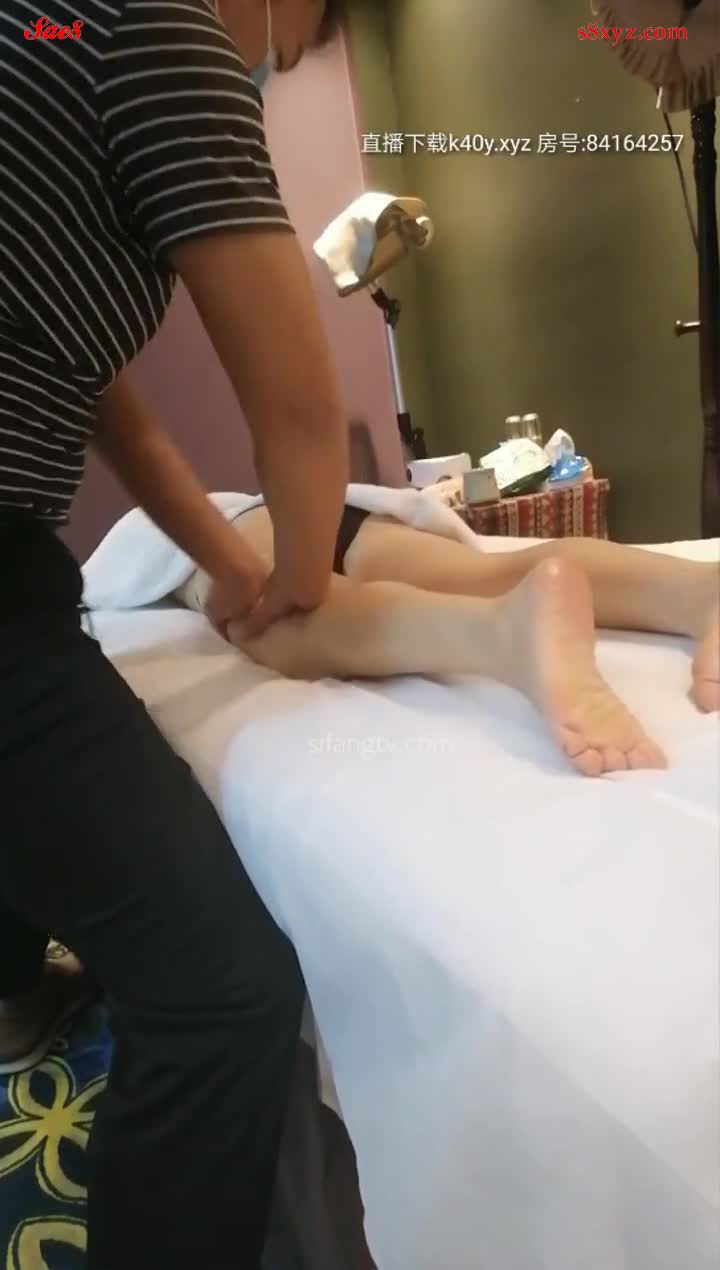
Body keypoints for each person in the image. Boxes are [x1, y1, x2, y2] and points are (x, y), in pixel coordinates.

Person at [0, 1, 348, 1267]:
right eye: (292, 40)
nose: (276, 58)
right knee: (222, 993)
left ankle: (15, 1002)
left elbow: (118, 414)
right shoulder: (147, 23)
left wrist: (246, 568)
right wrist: (302, 587)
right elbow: (300, 408)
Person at [175, 498, 719, 777]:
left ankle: (502, 633)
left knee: (271, 620)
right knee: (486, 574)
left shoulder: (148, 532)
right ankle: (698, 590)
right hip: (338, 508)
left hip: (241, 525)